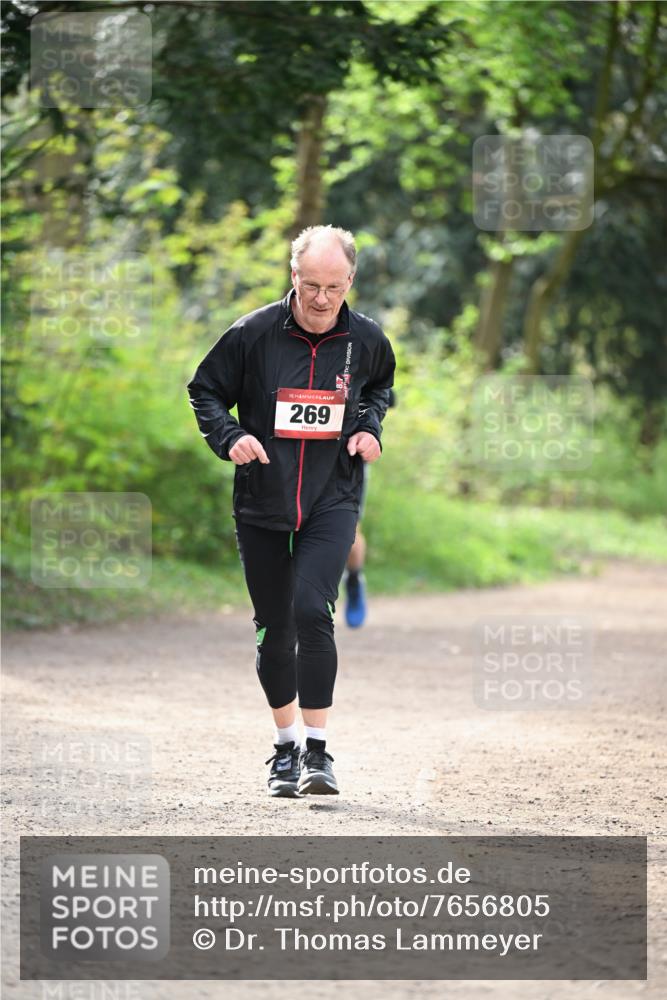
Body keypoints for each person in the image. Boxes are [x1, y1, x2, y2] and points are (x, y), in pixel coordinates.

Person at [187, 225, 395, 798]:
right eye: (311, 286)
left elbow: (378, 389)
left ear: (350, 281)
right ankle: (284, 749)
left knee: (311, 611)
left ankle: (318, 753)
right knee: (275, 631)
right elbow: (203, 389)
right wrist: (228, 435)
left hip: (333, 495)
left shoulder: (368, 340)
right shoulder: (252, 334)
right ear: (293, 276)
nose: (322, 298)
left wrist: (368, 428)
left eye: (333, 286)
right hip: (263, 498)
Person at [343, 388, 396, 628]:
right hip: (293, 452)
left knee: (349, 530)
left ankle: (353, 579)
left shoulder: (353, 351)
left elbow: (383, 393)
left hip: (348, 454)